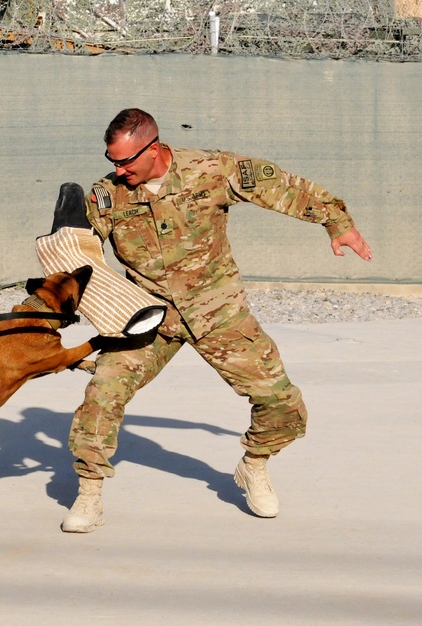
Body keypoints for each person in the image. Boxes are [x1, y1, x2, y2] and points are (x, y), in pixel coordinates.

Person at [60, 107, 372, 533]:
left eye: (127, 161)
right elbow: (73, 256)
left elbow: (282, 186)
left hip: (219, 313)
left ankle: (254, 465)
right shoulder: (108, 195)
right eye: (112, 161)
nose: (119, 169)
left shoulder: (211, 170)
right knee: (102, 393)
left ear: (155, 149)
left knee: (282, 404)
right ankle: (89, 493)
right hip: (151, 318)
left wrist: (336, 222)